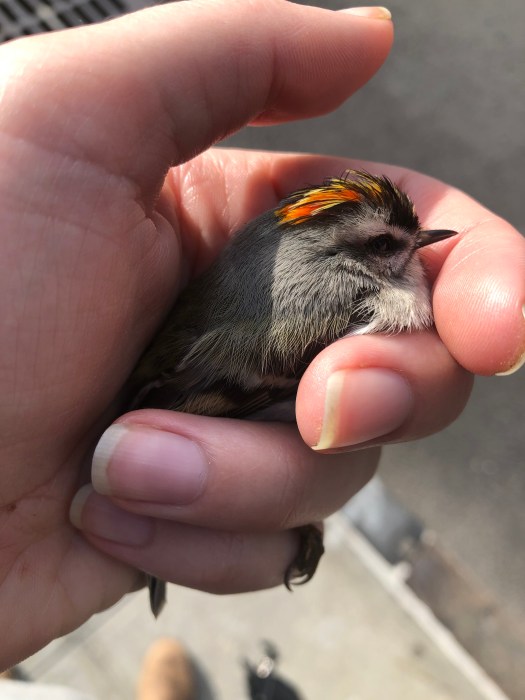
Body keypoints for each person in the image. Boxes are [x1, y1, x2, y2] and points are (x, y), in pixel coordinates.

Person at [0, 0, 523, 674]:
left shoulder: (282, 252)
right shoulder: (359, 304)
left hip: (142, 419)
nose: (415, 251)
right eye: (387, 245)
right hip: (159, 422)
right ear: (350, 259)